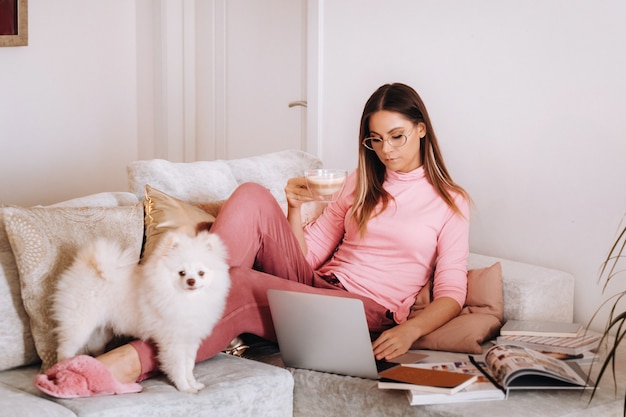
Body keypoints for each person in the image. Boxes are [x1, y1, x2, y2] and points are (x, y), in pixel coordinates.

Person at [35, 82, 470, 398]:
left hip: (364, 312)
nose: (387, 150)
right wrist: (296, 210)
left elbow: (452, 292)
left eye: (397, 136)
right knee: (251, 195)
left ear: (421, 129)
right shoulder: (357, 183)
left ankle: (116, 365)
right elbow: (311, 257)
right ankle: (184, 311)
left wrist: (411, 330)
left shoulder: (451, 202)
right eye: (376, 140)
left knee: (240, 282)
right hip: (315, 285)